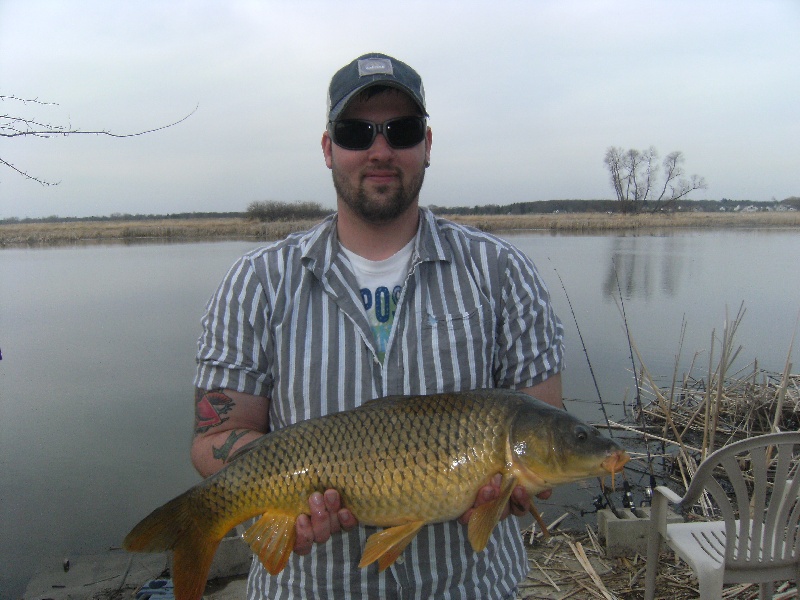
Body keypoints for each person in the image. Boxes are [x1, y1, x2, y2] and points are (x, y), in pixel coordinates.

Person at [192, 52, 565, 599]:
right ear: (328, 148)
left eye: (402, 130)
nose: (380, 150)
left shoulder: (502, 272)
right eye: (356, 132)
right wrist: (280, 500)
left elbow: (544, 423)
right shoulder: (256, 283)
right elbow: (215, 437)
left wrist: (513, 492)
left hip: (469, 587)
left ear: (428, 145)